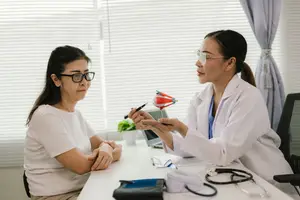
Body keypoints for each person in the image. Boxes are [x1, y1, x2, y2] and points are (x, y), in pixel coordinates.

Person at [128, 30, 294, 192]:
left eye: (206, 57)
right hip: (233, 179)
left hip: (267, 184)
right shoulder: (201, 98)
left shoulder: (248, 97)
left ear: (230, 63)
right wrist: (157, 128)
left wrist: (181, 128)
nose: (198, 62)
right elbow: (191, 148)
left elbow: (223, 153)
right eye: (199, 55)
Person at [24, 45, 122, 200]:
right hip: (58, 196)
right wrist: (106, 150)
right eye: (76, 76)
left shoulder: (76, 114)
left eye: (86, 74)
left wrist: (105, 149)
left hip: (85, 189)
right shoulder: (45, 116)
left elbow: (114, 148)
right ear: (56, 79)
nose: (84, 82)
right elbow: (81, 166)